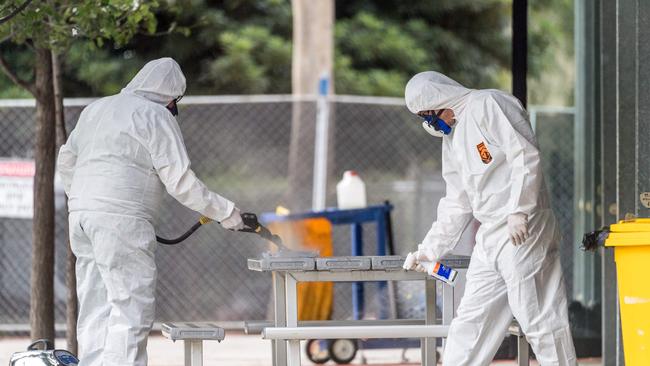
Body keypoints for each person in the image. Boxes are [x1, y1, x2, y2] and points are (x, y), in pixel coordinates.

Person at [57, 57, 244, 366]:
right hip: (122, 220)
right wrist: (228, 212)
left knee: (95, 304)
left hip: (81, 217)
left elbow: (66, 160)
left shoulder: (97, 108)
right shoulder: (156, 115)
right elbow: (181, 181)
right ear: (171, 95)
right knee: (130, 306)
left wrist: (84, 198)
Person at [402, 71, 577, 365]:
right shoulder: (453, 138)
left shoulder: (488, 104)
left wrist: (520, 209)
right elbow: (456, 202)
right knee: (471, 320)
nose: (431, 124)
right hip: (490, 236)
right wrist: (428, 250)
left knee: (539, 318)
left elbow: (525, 155)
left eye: (429, 116)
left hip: (524, 227)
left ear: (439, 99)